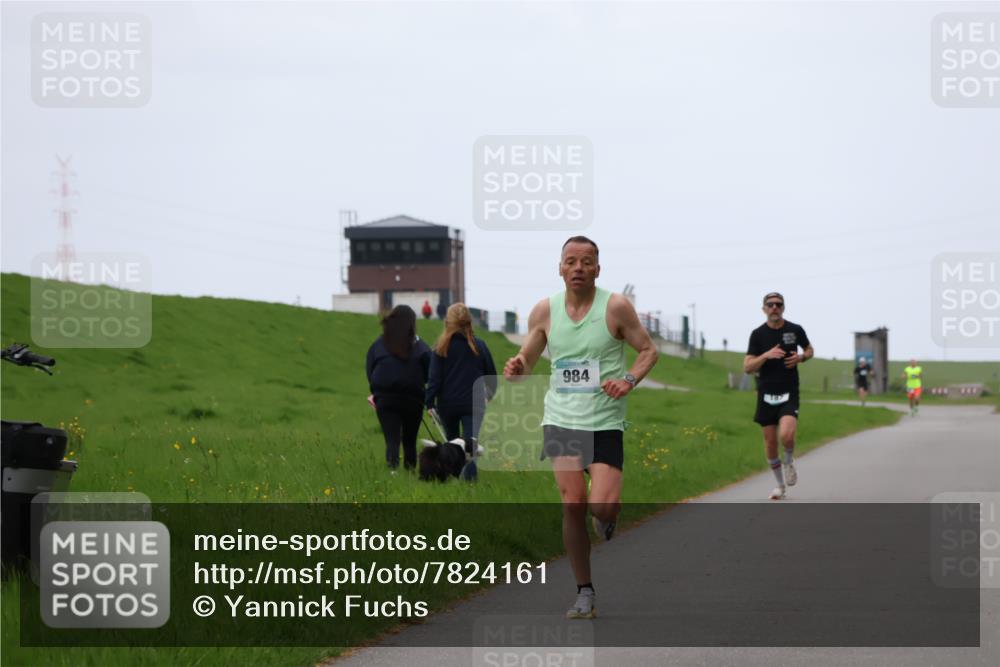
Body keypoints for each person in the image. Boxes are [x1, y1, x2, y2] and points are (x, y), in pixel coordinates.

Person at [503, 236, 658, 620]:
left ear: (597, 269)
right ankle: (584, 591)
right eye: (570, 261)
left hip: (604, 420)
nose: (578, 268)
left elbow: (648, 350)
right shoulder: (545, 311)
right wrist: (519, 365)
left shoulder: (616, 307)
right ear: (559, 268)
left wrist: (628, 380)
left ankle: (606, 516)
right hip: (561, 418)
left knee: (601, 506)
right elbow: (529, 355)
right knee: (572, 503)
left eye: (586, 262)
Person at [743, 292, 814, 501]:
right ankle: (780, 486)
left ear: (783, 308)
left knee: (787, 435)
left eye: (778, 304)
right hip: (765, 393)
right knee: (771, 444)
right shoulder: (757, 334)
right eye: (770, 305)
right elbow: (747, 367)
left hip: (789, 391)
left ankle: (789, 461)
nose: (774, 308)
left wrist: (801, 357)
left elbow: (810, 349)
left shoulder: (794, 330)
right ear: (764, 308)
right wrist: (765, 355)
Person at [366, 305, 431, 470]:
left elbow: (370, 370)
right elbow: (430, 372)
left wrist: (376, 392)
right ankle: (409, 473)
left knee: (392, 439)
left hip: (385, 398)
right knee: (409, 440)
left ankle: (392, 472)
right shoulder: (420, 346)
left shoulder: (378, 344)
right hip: (413, 399)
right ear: (412, 323)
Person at [425, 303, 497, 442]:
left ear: (447, 323)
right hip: (474, 405)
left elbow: (434, 379)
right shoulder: (479, 346)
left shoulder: (440, 348)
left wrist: (429, 403)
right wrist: (488, 396)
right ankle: (470, 463)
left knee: (452, 451)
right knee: (471, 447)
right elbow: (491, 377)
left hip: (447, 406)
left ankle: (455, 464)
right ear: (469, 322)